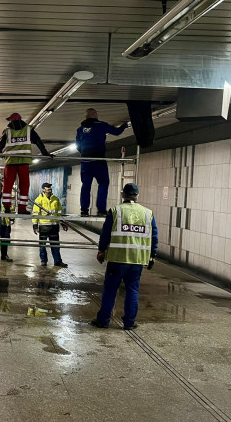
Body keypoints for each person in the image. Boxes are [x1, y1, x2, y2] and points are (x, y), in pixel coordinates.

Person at [91, 183, 158, 330]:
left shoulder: (115, 211)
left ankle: (103, 320)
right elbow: (154, 235)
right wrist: (152, 255)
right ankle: (129, 322)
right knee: (132, 290)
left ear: (123, 195)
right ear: (137, 195)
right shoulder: (148, 213)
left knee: (110, 290)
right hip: (137, 260)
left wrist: (101, 250)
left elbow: (105, 233)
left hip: (117, 258)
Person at [76, 108, 128, 217]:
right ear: (95, 114)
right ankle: (101, 210)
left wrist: (85, 153)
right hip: (99, 160)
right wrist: (124, 125)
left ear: (86, 116)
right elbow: (117, 132)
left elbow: (78, 146)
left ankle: (84, 210)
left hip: (85, 162)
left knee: (86, 185)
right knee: (103, 183)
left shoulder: (80, 129)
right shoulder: (101, 125)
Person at [0, 113, 51, 214]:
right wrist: (45, 153)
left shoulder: (7, 131)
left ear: (12, 120)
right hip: (24, 162)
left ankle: (7, 208)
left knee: (7, 185)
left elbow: (0, 146)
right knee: (24, 186)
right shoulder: (29, 130)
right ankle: (22, 209)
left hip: (11, 162)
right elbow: (38, 142)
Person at [32, 182, 68, 268]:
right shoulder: (39, 200)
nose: (50, 188)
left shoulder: (56, 199)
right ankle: (43, 261)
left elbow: (60, 212)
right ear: (43, 189)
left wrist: (63, 222)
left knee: (55, 246)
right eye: (47, 187)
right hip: (44, 227)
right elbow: (35, 213)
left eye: (50, 187)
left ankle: (57, 261)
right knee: (42, 246)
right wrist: (35, 225)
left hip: (54, 226)